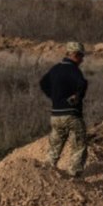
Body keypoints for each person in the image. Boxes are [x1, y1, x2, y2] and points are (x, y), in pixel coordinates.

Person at [39, 41, 89, 177]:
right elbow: (82, 84)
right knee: (79, 145)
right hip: (71, 115)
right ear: (75, 55)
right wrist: (76, 97)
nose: (82, 60)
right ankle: (74, 175)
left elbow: (43, 83)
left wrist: (54, 97)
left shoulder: (55, 69)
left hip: (55, 115)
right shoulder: (74, 70)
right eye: (81, 56)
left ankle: (47, 172)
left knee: (55, 146)